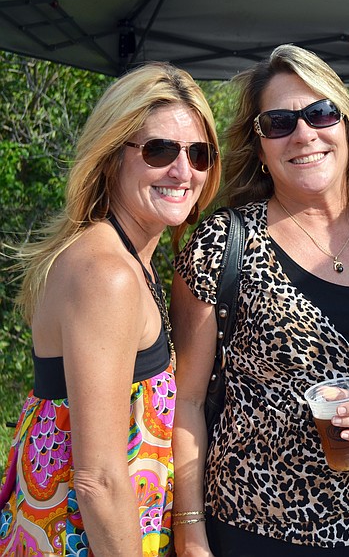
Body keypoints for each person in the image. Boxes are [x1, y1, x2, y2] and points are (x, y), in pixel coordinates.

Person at [170, 44, 349, 557]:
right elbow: (183, 402)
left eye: (320, 113)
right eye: (278, 122)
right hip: (251, 531)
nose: (303, 134)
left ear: (347, 125)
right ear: (259, 143)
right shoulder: (223, 243)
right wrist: (190, 534)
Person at [0, 62, 220, 557]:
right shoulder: (107, 274)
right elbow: (98, 479)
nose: (184, 172)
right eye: (159, 150)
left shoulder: (124, 259)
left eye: (199, 154)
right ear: (111, 155)